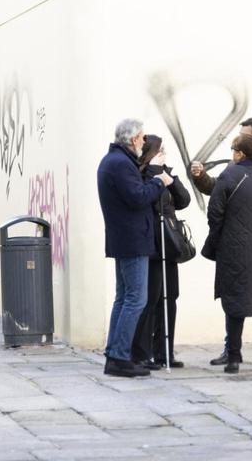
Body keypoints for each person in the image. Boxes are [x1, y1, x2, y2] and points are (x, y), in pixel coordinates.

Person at [191, 116, 252, 366]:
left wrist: (218, 236)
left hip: (235, 247)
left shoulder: (230, 175)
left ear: (240, 153)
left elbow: (215, 211)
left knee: (235, 301)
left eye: (233, 149)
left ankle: (233, 357)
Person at [97, 118, 171, 378]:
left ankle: (115, 353)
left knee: (124, 297)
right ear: (131, 139)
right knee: (135, 299)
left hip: (124, 238)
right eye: (141, 137)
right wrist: (159, 181)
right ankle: (119, 357)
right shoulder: (121, 164)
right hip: (132, 239)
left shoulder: (114, 161)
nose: (143, 142)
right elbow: (138, 198)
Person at [131, 135, 191, 369]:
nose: (164, 153)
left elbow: (184, 200)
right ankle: (143, 352)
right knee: (152, 297)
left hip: (170, 242)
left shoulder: (167, 173)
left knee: (170, 296)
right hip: (152, 244)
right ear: (149, 153)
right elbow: (144, 202)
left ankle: (165, 352)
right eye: (160, 150)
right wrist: (154, 175)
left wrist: (170, 179)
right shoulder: (140, 175)